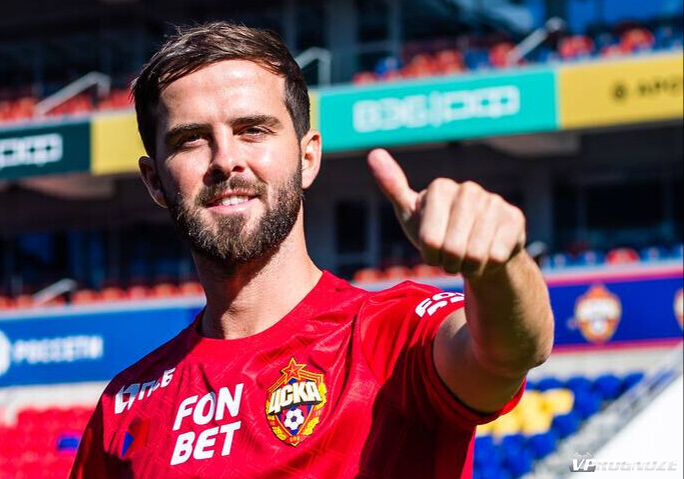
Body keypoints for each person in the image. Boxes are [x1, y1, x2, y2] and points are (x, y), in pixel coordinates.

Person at [70, 22, 553, 479]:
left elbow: (508, 353)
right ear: (155, 180)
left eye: (252, 130)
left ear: (307, 157)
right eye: (191, 139)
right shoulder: (122, 408)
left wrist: (502, 267)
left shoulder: (391, 334)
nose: (226, 160)